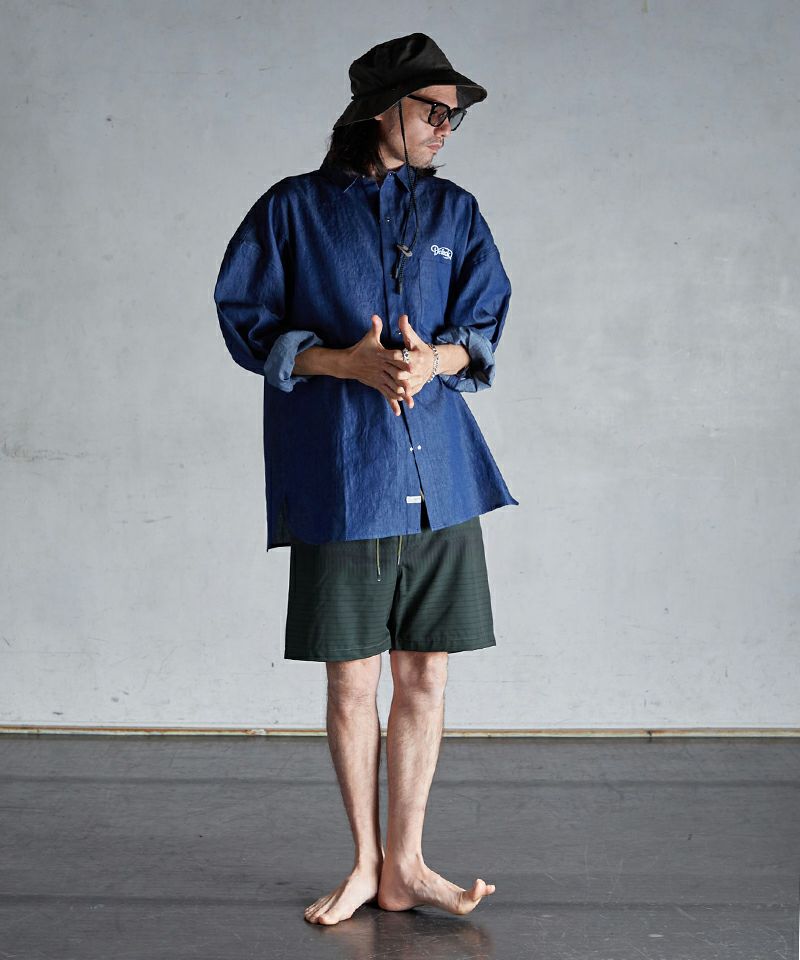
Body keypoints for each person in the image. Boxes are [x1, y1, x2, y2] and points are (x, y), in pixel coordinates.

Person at [213, 33, 518, 924]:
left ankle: (406, 865)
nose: (446, 128)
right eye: (434, 110)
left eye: (455, 117)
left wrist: (438, 359)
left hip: (444, 477)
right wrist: (344, 362)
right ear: (381, 109)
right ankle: (363, 862)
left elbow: (484, 325)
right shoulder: (292, 209)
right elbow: (244, 321)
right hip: (345, 474)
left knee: (427, 674)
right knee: (352, 680)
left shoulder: (456, 212)